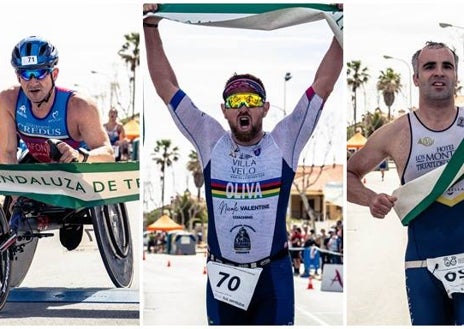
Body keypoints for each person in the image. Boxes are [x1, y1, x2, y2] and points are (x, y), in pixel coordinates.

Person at [143, 4, 342, 325]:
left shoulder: (284, 140)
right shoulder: (210, 139)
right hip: (223, 274)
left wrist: (341, 24)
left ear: (264, 108)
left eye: (251, 101)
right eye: (235, 102)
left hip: (273, 274)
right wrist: (150, 27)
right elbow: (166, 88)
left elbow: (324, 84)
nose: (243, 107)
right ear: (224, 110)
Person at [347, 41, 464, 325]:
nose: (439, 72)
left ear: (456, 75)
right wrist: (371, 198)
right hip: (421, 266)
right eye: (429, 66)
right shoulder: (396, 133)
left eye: (447, 66)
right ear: (415, 78)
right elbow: (351, 174)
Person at [0, 35, 114, 250]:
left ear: (54, 73)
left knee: (69, 241)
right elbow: (6, 153)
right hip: (34, 164)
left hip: (73, 172)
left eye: (40, 72)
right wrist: (15, 198)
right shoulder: (7, 100)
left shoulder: (79, 106)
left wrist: (81, 155)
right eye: (25, 74)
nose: (33, 81)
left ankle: (73, 216)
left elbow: (108, 152)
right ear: (18, 76)